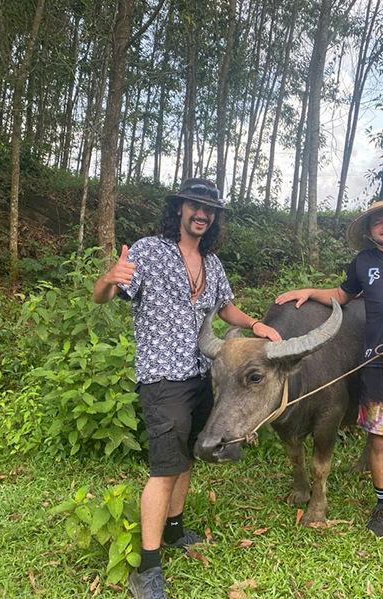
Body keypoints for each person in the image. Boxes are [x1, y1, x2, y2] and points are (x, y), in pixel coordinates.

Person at [92, 178, 281, 599]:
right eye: (194, 206)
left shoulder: (212, 263)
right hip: (163, 376)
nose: (202, 214)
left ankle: (175, 529)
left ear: (214, 217)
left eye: (209, 210)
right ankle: (147, 566)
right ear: (179, 209)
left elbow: (225, 307)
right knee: (164, 469)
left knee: (190, 455)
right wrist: (108, 278)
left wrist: (255, 324)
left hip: (204, 374)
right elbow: (102, 297)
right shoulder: (148, 251)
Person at [275, 202, 383, 540]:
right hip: (379, 366)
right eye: (377, 223)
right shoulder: (365, 263)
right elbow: (342, 296)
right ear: (370, 233)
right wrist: (309, 292)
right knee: (379, 441)